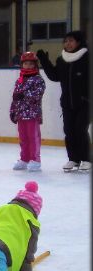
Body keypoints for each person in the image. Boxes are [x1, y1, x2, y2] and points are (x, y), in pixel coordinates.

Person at [36, 30, 90, 172]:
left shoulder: (87, 57)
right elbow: (54, 76)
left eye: (71, 41)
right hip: (67, 103)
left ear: (78, 42)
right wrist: (44, 60)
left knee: (80, 130)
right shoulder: (62, 59)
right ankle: (73, 159)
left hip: (85, 103)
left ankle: (86, 159)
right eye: (66, 41)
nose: (68, 43)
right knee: (69, 131)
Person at [10, 52, 46, 172]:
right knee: (23, 138)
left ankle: (35, 160)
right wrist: (13, 111)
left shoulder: (38, 80)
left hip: (32, 114)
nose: (28, 66)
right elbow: (15, 97)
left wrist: (24, 95)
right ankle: (24, 159)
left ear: (35, 65)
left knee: (33, 137)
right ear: (22, 65)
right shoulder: (19, 80)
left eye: (31, 64)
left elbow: (37, 95)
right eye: (26, 63)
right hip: (21, 114)